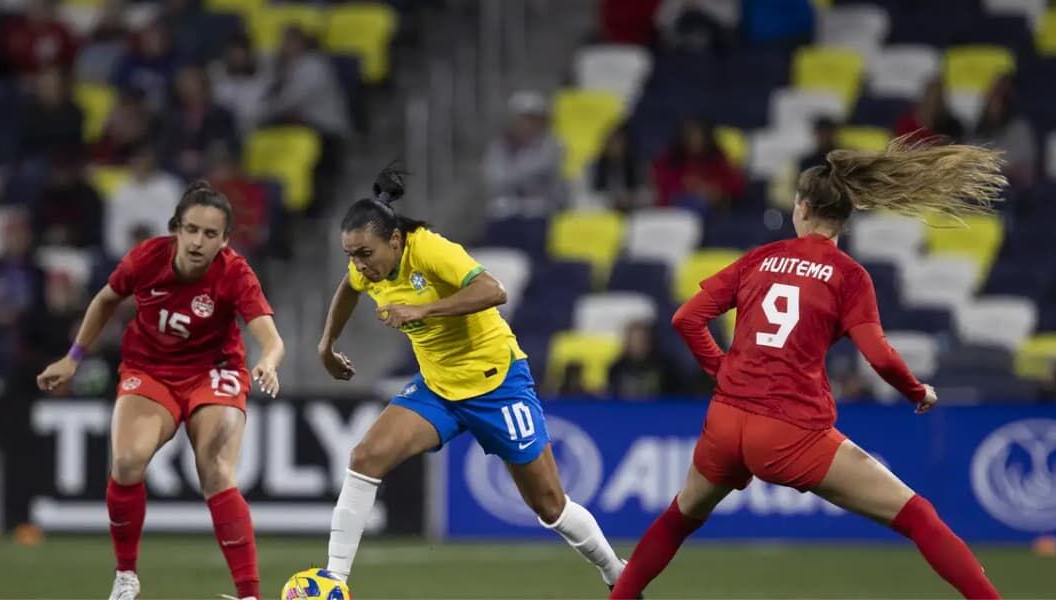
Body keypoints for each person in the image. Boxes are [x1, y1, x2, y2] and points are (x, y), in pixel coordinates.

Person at [609, 136, 1006, 600]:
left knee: (679, 518)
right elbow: (877, 355)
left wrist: (721, 370)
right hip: (790, 430)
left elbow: (686, 318)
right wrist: (917, 391)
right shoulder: (848, 275)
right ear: (846, 215)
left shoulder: (761, 258)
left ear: (801, 207)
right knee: (918, 517)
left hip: (726, 421)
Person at [318, 166, 628, 591]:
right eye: (350, 255)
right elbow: (348, 288)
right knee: (365, 458)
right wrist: (326, 344)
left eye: (364, 254)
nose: (358, 265)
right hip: (439, 389)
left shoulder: (429, 250)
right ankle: (333, 581)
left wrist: (422, 310)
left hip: (497, 384)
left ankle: (618, 573)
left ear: (394, 240)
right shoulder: (367, 267)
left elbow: (494, 290)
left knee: (550, 505)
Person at [35, 181, 285, 600]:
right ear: (176, 229)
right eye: (191, 230)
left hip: (213, 371)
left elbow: (272, 339)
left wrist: (267, 362)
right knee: (128, 461)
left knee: (216, 469)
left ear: (225, 240)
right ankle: (126, 577)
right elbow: (104, 300)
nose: (198, 241)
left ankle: (249, 595)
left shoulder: (235, 273)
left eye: (210, 234)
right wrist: (73, 357)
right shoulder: (146, 259)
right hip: (150, 370)